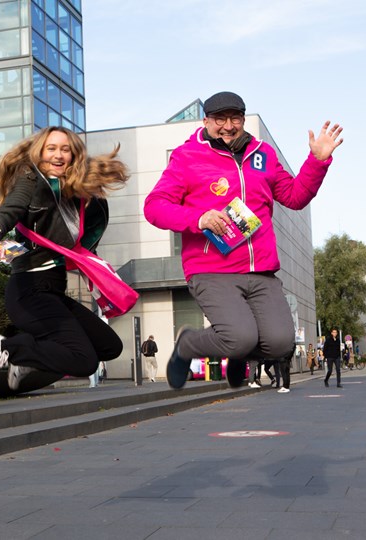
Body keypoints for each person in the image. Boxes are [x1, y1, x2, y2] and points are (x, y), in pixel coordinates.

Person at [143, 90, 343, 389]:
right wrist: (198, 219)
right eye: (219, 119)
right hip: (212, 269)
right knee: (238, 337)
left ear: (243, 118)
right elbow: (154, 206)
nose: (228, 126)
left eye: (234, 118)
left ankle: (238, 353)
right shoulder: (187, 157)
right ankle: (188, 345)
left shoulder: (262, 154)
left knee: (279, 344)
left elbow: (295, 196)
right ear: (206, 121)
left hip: (261, 269)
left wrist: (317, 161)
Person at [0, 127, 130, 390]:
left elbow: (84, 240)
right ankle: (4, 347)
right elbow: (9, 210)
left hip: (53, 291)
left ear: (73, 155)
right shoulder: (31, 180)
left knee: (109, 345)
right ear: (39, 152)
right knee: (84, 361)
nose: (58, 156)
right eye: (51, 149)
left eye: (65, 150)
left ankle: (27, 361)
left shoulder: (76, 191)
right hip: (29, 292)